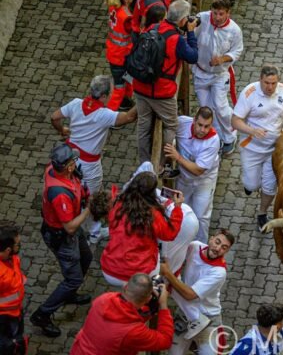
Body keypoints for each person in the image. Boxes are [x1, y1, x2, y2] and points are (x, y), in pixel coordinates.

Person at [50, 75, 137, 243]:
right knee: (93, 197)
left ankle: (79, 221)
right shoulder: (103, 115)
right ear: (103, 96)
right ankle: (94, 234)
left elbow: (54, 117)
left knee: (76, 191)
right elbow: (128, 117)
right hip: (89, 165)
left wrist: (62, 130)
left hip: (70, 159)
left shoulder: (75, 104)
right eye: (110, 93)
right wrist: (144, 100)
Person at [232, 65, 283, 229]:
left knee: (270, 187)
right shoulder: (249, 93)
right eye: (267, 83)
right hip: (252, 149)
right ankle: (250, 185)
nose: (270, 87)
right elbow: (235, 121)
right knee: (252, 184)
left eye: (273, 83)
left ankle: (262, 213)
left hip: (275, 149)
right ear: (260, 79)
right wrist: (252, 131)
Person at [31, 144, 93, 338]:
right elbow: (69, 227)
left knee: (86, 257)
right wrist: (89, 209)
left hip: (71, 232)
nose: (76, 162)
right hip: (63, 236)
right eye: (73, 161)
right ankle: (42, 314)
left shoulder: (56, 170)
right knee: (73, 278)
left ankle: (70, 293)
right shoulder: (59, 194)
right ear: (67, 167)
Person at [133, 0, 199, 165]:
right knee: (171, 125)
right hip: (162, 92)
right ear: (183, 20)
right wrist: (191, 33)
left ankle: (144, 163)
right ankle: (162, 164)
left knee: (143, 126)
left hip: (141, 86)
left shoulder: (152, 27)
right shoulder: (177, 40)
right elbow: (193, 57)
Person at [100, 171, 184, 286]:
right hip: (139, 274)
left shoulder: (118, 205)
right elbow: (169, 234)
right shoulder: (152, 214)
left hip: (110, 270)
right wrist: (177, 208)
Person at [160, 229, 234, 355]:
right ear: (211, 239)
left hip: (208, 318)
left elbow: (190, 295)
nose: (217, 248)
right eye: (217, 242)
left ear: (226, 252)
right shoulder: (194, 247)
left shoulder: (219, 272)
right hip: (184, 314)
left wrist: (167, 273)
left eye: (223, 247)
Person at [69, 273, 174, 354]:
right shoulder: (133, 332)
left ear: (125, 287)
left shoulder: (103, 299)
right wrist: (163, 306)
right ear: (148, 299)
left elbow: (126, 314)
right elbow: (165, 340)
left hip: (79, 350)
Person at [193, 0, 244, 156]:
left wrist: (222, 59)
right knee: (207, 108)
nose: (217, 17)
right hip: (200, 73)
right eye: (215, 13)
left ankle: (230, 136)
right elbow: (189, 30)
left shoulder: (234, 30)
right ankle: (216, 136)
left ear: (228, 13)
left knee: (221, 107)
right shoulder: (202, 18)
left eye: (221, 14)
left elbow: (237, 51)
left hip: (220, 75)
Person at [164, 107, 221, 242]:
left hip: (204, 182)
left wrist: (177, 157)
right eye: (200, 125)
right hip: (183, 179)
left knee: (201, 216)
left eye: (207, 126)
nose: (202, 130)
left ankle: (200, 245)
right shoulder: (182, 123)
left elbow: (198, 170)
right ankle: (181, 242)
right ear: (194, 120)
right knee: (181, 210)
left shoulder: (213, 141)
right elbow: (168, 127)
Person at [104, 0, 136, 111]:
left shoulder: (113, 7)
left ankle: (126, 101)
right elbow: (134, 31)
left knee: (129, 79)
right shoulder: (127, 16)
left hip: (113, 52)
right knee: (119, 87)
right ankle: (110, 114)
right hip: (121, 56)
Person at [0, 221, 26, 354]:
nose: (19, 246)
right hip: (5, 316)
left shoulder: (11, 258)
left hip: (15, 311)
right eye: (17, 244)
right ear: (8, 250)